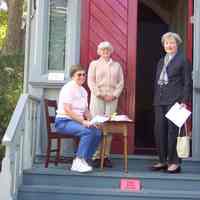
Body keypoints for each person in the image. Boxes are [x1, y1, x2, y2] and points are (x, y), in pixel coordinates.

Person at [152, 32, 192, 173]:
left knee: (172, 131)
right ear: (164, 45)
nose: (169, 45)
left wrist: (184, 101)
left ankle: (174, 162)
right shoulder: (161, 61)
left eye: (172, 43)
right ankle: (162, 160)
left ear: (177, 44)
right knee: (159, 131)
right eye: (166, 43)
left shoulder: (183, 60)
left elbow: (187, 83)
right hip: (160, 101)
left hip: (175, 101)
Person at [55, 64, 101, 173]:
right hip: (64, 121)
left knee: (97, 132)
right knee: (87, 132)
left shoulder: (84, 91)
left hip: (76, 122)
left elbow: (86, 110)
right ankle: (78, 161)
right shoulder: (68, 88)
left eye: (84, 75)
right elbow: (67, 110)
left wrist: (93, 121)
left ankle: (83, 159)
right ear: (72, 76)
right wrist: (83, 122)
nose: (82, 77)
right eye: (79, 74)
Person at [87, 41, 124, 168]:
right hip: (97, 98)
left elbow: (120, 82)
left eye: (107, 50)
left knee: (109, 127)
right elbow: (90, 81)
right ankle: (96, 156)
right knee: (97, 126)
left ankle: (106, 156)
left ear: (111, 51)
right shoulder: (94, 64)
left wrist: (114, 95)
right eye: (103, 50)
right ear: (99, 51)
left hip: (112, 99)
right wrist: (100, 94)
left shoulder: (117, 66)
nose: (105, 52)